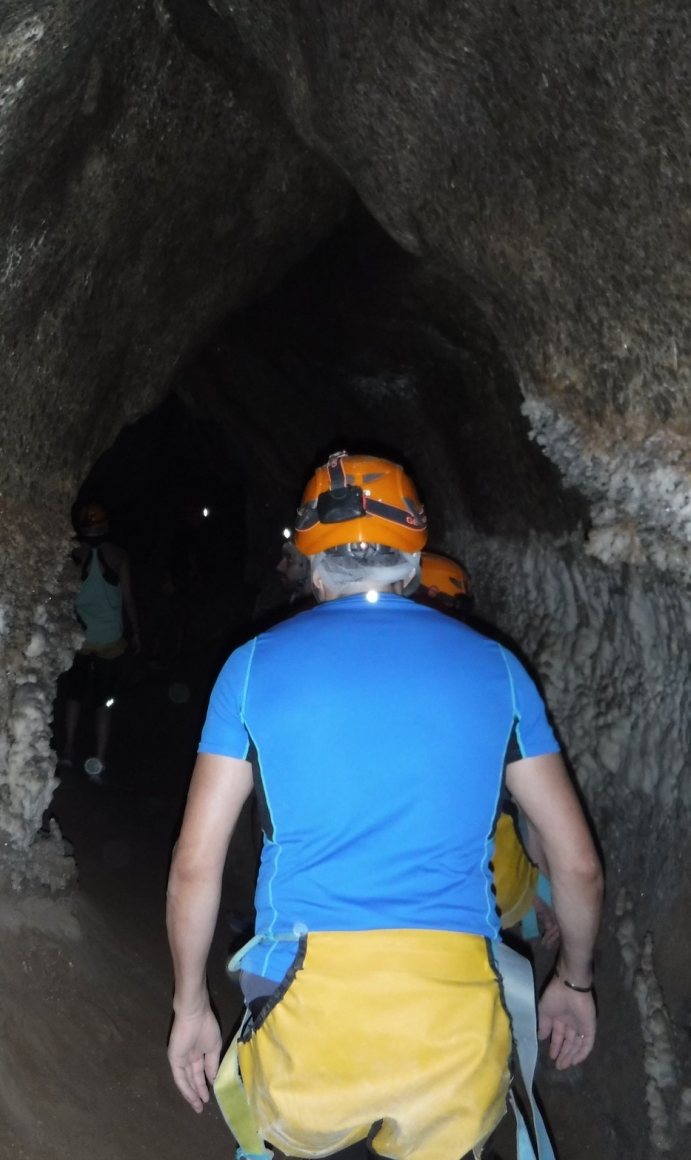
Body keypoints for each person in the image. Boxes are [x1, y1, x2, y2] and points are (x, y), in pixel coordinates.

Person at [167, 452, 602, 1160]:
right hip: (452, 1025)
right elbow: (576, 864)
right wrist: (575, 981)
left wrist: (190, 1006)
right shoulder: (498, 669)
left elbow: (194, 866)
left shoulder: (250, 668)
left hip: (306, 1015)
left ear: (312, 565)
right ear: (414, 562)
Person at [417, 552, 560, 949]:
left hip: (407, 897)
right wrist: (544, 895)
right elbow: (533, 813)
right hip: (498, 893)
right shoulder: (490, 673)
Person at [58, 503, 140, 779]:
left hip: (80, 637)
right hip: (109, 640)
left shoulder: (74, 554)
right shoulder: (118, 556)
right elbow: (128, 599)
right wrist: (136, 631)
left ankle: (68, 750)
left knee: (74, 695)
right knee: (104, 702)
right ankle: (99, 759)